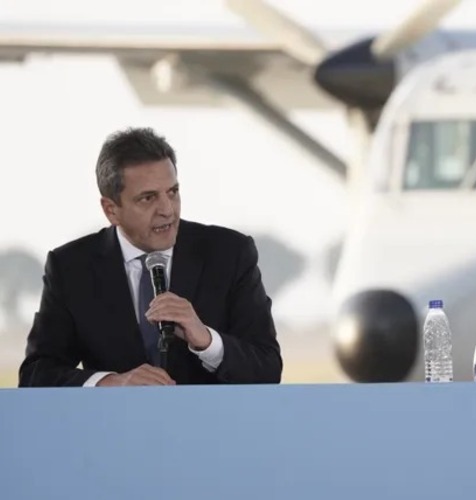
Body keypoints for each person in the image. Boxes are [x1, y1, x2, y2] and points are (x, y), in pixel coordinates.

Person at [19, 127, 282, 386]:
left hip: (209, 425)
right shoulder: (71, 267)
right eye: (148, 198)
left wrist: (207, 340)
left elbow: (268, 369)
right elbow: (36, 374)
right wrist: (111, 383)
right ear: (111, 210)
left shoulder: (230, 253)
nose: (167, 210)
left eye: (172, 192)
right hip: (117, 426)